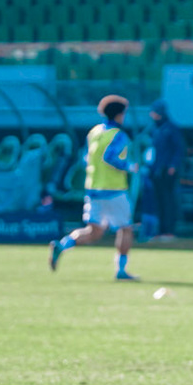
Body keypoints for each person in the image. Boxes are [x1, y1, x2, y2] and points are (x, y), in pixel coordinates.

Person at [47, 95, 140, 281]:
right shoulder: (118, 135)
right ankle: (121, 270)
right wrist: (129, 166)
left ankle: (62, 245)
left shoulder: (94, 132)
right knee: (125, 229)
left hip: (93, 189)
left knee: (94, 232)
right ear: (120, 115)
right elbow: (110, 157)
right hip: (114, 190)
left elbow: (85, 159)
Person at [146, 100, 185, 240]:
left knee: (168, 201)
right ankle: (161, 230)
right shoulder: (155, 129)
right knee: (159, 201)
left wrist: (173, 166)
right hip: (155, 170)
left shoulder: (171, 128)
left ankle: (169, 231)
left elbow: (178, 149)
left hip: (167, 171)